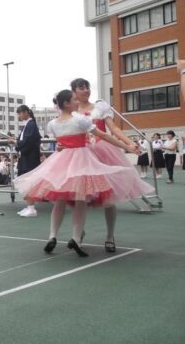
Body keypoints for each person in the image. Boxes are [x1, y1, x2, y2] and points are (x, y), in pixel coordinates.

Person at [14, 90, 150, 257]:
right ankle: (76, 238)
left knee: (60, 199)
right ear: (66, 103)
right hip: (81, 159)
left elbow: (60, 143)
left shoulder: (52, 124)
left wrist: (60, 146)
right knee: (81, 200)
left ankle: (52, 236)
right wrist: (127, 146)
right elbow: (103, 135)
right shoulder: (80, 119)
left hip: (62, 161)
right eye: (73, 100)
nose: (77, 102)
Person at [71, 78, 147, 252]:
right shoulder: (71, 110)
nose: (86, 90)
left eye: (87, 87)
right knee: (80, 196)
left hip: (103, 152)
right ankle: (78, 233)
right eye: (81, 88)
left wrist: (130, 144)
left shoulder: (101, 107)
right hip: (81, 154)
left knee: (109, 198)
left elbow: (114, 129)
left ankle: (109, 235)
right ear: (74, 91)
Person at [12, 104, 41, 217]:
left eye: (19, 113)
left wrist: (16, 143)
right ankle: (29, 206)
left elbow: (27, 141)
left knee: (28, 182)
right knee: (25, 181)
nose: (19, 116)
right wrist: (16, 141)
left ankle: (31, 207)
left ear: (25, 112)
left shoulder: (31, 124)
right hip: (27, 157)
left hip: (30, 157)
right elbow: (23, 140)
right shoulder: (28, 125)